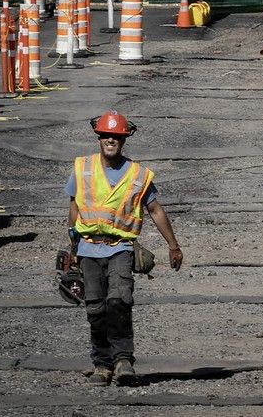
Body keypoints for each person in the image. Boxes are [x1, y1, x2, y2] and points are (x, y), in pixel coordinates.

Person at [65, 111, 183, 387]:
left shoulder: (138, 175)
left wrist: (173, 246)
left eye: (116, 136)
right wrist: (71, 246)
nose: (111, 140)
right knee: (95, 308)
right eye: (106, 135)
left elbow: (155, 210)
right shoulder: (82, 168)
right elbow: (74, 207)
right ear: (98, 137)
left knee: (119, 302)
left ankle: (122, 361)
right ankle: (101, 365)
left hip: (120, 248)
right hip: (87, 249)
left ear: (124, 139)